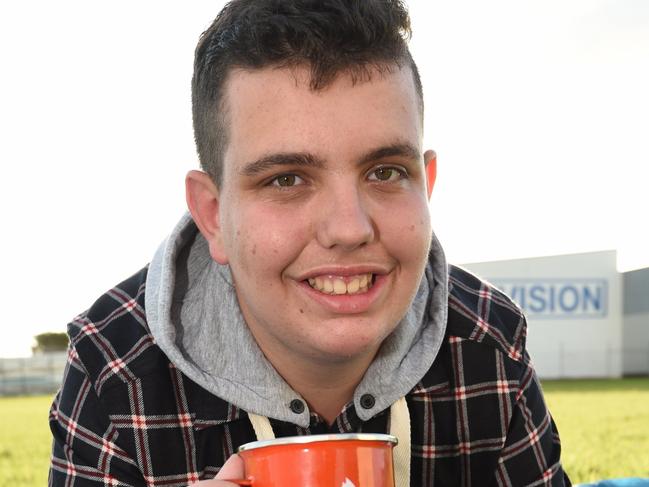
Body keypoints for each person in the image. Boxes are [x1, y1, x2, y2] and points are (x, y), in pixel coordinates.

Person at [49, 1, 571, 486]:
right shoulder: (114, 368)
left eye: (386, 171)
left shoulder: (487, 342)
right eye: (286, 180)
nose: (349, 228)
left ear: (426, 184)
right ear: (213, 215)